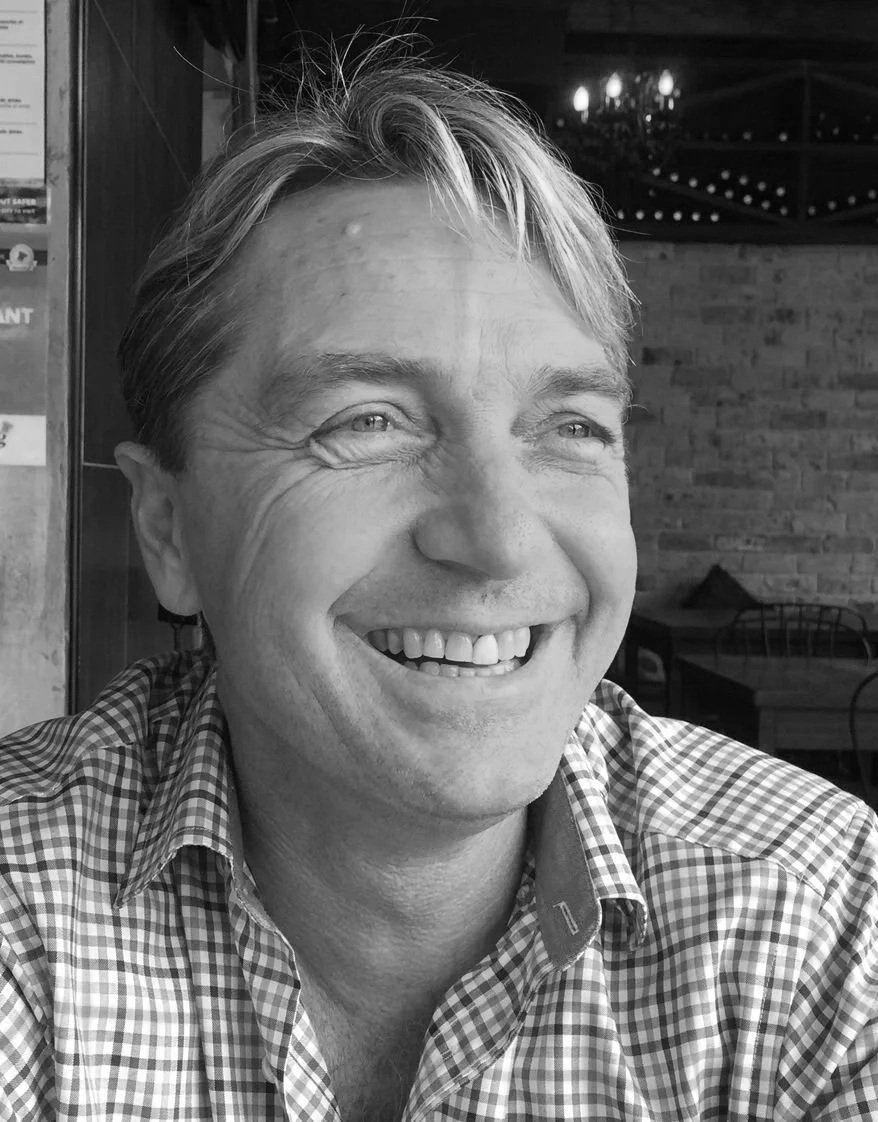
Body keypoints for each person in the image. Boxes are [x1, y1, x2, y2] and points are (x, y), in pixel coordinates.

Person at [1, 41, 876, 1122]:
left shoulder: (822, 923)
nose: (501, 544)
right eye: (365, 422)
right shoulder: (21, 903)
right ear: (167, 527)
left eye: (567, 428)